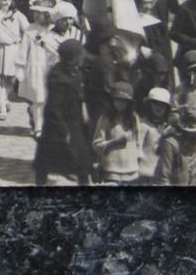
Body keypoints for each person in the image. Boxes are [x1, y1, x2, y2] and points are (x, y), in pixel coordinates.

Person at [34, 38, 92, 185]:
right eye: (79, 55)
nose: (82, 57)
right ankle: (40, 184)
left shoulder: (74, 71)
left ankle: (84, 185)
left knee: (82, 160)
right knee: (47, 160)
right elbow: (55, 107)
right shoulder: (58, 77)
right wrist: (63, 129)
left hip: (75, 120)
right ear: (71, 58)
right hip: (59, 123)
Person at [92, 81, 146, 184]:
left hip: (131, 171)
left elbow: (139, 142)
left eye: (124, 101)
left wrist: (138, 159)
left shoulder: (133, 118)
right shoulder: (105, 118)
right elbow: (96, 145)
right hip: (111, 171)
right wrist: (116, 141)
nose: (120, 104)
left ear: (129, 103)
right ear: (112, 100)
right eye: (117, 100)